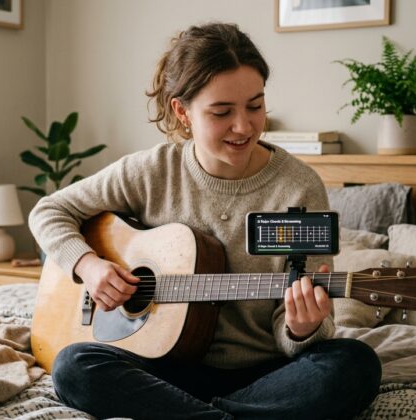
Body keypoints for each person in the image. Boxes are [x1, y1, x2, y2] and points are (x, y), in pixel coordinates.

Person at [29, 22, 381, 420]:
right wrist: (89, 266)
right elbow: (49, 211)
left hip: (264, 375)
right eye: (222, 112)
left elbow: (298, 326)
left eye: (255, 106)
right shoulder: (150, 172)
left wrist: (302, 328)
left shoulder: (298, 189)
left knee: (354, 363)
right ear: (183, 112)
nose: (243, 126)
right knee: (73, 366)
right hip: (161, 368)